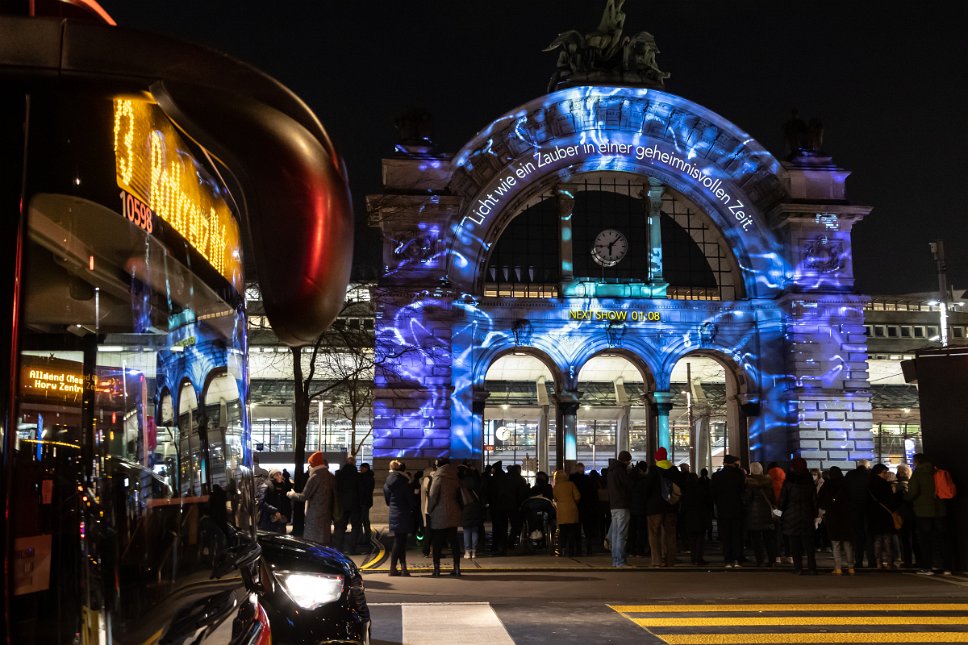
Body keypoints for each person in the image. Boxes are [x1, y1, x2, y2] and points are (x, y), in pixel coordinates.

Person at [904, 453, 952, 575]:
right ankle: (946, 567)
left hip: (923, 511)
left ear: (917, 461)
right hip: (940, 510)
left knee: (925, 540)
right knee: (942, 539)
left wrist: (906, 497)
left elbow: (913, 492)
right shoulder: (937, 471)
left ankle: (927, 567)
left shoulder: (918, 473)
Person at [779, 457, 819, 575]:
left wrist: (780, 513)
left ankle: (798, 568)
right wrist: (815, 514)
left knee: (795, 544)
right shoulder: (809, 481)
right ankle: (812, 568)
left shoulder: (789, 481)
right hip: (806, 515)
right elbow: (814, 501)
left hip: (791, 516)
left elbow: (783, 500)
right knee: (809, 545)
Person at [287, 452, 336, 545]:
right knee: (324, 543)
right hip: (326, 515)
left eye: (310, 464)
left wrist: (291, 494)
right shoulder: (330, 476)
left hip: (314, 517)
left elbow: (303, 496)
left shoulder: (314, 477)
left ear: (314, 464)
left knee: (312, 543)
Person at [428, 457, 463, 577]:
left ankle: (437, 569)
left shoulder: (438, 476)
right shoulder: (455, 476)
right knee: (454, 541)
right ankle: (457, 568)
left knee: (437, 542)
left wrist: (430, 509)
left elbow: (433, 495)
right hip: (453, 511)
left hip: (440, 513)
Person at [645, 448, 680, 567]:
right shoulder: (674, 470)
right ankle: (670, 560)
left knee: (654, 534)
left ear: (656, 458)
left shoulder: (653, 471)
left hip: (654, 508)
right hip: (671, 506)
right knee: (670, 534)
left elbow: (647, 488)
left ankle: (657, 561)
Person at [818, 466, 855, 575]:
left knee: (835, 543)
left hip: (832, 517)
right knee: (847, 543)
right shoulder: (847, 484)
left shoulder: (827, 485)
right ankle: (851, 567)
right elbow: (853, 500)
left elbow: (820, 499)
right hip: (846, 517)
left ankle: (838, 568)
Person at [711, 454, 746, 568]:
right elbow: (743, 491)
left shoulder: (716, 476)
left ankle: (727, 560)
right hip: (737, 509)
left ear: (724, 463)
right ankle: (737, 559)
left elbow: (713, 494)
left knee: (725, 536)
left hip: (723, 509)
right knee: (736, 535)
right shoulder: (739, 475)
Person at [384, 460, 416, 576]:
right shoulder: (404, 481)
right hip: (404, 513)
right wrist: (413, 507)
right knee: (400, 542)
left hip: (394, 512)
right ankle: (393, 568)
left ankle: (403, 568)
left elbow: (387, 501)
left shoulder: (387, 482)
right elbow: (410, 499)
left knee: (400, 541)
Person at [744, 462, 777, 567]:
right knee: (769, 539)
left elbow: (747, 499)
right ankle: (772, 560)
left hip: (753, 515)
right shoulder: (768, 481)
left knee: (756, 540)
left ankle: (760, 560)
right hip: (767, 514)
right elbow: (773, 499)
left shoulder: (749, 483)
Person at [867, 463, 898, 569]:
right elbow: (892, 501)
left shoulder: (869, 484)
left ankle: (878, 562)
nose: (886, 475)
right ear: (880, 473)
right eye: (885, 473)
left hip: (874, 515)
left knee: (877, 540)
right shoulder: (885, 485)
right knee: (887, 539)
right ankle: (889, 562)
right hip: (886, 515)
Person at [844, 458, 874, 568]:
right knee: (869, 536)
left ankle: (859, 561)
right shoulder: (870, 475)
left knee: (857, 536)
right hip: (868, 509)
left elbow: (845, 491)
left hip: (854, 509)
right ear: (867, 466)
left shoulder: (850, 475)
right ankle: (871, 561)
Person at [606, 450, 634, 567]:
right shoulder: (621, 471)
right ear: (626, 460)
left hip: (614, 505)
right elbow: (629, 485)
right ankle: (620, 560)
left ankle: (615, 560)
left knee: (615, 534)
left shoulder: (611, 471)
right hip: (622, 505)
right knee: (621, 535)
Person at [333, 455, 362, 554]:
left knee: (340, 527)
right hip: (355, 504)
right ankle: (351, 548)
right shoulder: (357, 476)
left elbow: (336, 489)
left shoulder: (339, 475)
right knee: (355, 527)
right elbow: (360, 490)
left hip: (342, 504)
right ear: (354, 463)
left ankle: (339, 548)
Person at [571, 462, 600, 556]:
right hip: (587, 507)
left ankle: (578, 549)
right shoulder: (588, 480)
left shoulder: (572, 480)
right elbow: (594, 495)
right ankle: (589, 549)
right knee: (588, 529)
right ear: (583, 470)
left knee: (576, 529)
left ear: (575, 469)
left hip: (575, 507)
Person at [459, 462, 485, 559]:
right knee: (475, 531)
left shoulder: (461, 483)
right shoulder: (477, 482)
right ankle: (474, 552)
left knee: (466, 531)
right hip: (476, 507)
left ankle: (467, 552)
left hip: (466, 508)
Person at [553, 468, 581, 557]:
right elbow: (577, 496)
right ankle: (571, 550)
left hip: (561, 510)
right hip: (572, 509)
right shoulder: (571, 484)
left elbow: (555, 498)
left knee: (563, 531)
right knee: (572, 531)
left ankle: (563, 549)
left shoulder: (556, 487)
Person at [258, 468, 292, 533]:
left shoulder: (283, 486)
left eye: (280, 474)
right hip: (269, 518)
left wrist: (285, 514)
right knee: (269, 536)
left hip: (281, 518)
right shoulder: (266, 485)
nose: (279, 476)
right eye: (276, 475)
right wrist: (275, 511)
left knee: (281, 536)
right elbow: (262, 502)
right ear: (272, 476)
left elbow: (285, 502)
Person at [419, 464, 436, 557]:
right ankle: (435, 550)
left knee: (428, 531)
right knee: (436, 531)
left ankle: (426, 550)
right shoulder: (439, 478)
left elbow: (423, 498)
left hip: (428, 508)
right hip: (438, 509)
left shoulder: (426, 480)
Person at [358, 462, 375, 547]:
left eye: (361, 468)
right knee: (365, 520)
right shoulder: (370, 477)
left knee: (361, 520)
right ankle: (367, 538)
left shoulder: (364, 477)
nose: (360, 469)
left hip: (363, 502)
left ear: (366, 468)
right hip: (367, 502)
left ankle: (363, 539)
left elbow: (363, 490)